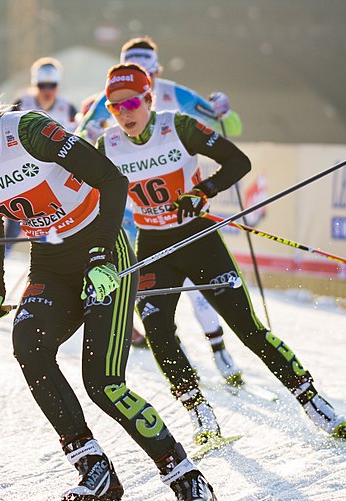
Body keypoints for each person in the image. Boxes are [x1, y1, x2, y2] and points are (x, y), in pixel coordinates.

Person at [0, 61, 217, 501]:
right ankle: (95, 471)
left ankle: (186, 476)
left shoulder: (28, 131)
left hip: (103, 251)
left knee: (103, 383)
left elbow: (112, 181)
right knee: (28, 346)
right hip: (51, 264)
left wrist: (99, 256)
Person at [96, 63, 346, 447]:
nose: (124, 112)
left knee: (246, 328)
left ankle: (311, 399)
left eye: (131, 102)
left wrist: (204, 191)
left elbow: (238, 161)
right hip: (152, 246)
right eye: (115, 107)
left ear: (148, 98)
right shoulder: (107, 145)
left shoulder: (177, 127)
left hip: (198, 239)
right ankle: (199, 410)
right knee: (159, 331)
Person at [78, 35, 244, 386]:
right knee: (154, 290)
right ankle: (173, 354)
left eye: (149, 71)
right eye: (138, 69)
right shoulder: (114, 95)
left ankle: (217, 347)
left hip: (178, 200)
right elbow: (80, 138)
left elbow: (227, 127)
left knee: (198, 284)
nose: (145, 78)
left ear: (157, 72)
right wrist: (87, 130)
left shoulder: (176, 94)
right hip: (137, 208)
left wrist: (227, 112)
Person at [4, 57, 80, 253]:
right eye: (42, 85)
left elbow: (77, 141)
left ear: (58, 86)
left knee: (59, 226)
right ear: (35, 84)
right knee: (13, 228)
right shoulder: (22, 103)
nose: (47, 91)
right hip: (24, 174)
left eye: (52, 86)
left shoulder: (68, 108)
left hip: (54, 178)